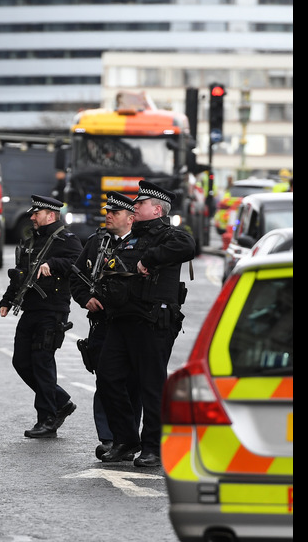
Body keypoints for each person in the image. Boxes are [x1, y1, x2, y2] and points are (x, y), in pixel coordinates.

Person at [96, 180, 196, 467]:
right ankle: (126, 440)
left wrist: (149, 259)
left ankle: (153, 446)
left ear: (156, 209)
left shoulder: (168, 236)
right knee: (108, 378)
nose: (135, 207)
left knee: (151, 386)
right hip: (122, 321)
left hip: (152, 322)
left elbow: (187, 245)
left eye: (139, 204)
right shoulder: (130, 238)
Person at [0, 195, 83, 438]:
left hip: (52, 309)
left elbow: (78, 263)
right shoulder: (31, 241)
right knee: (21, 361)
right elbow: (20, 274)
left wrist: (53, 263)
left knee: (42, 362)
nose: (32, 217)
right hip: (31, 308)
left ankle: (46, 418)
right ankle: (61, 401)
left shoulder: (67, 240)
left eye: (37, 214)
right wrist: (7, 299)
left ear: (51, 215)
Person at [68, 192, 141, 459]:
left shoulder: (141, 243)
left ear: (130, 218)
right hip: (102, 323)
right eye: (107, 212)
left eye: (115, 212)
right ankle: (110, 438)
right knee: (106, 379)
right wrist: (86, 299)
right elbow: (75, 277)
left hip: (131, 323)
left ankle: (128, 437)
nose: (108, 215)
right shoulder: (97, 241)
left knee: (132, 381)